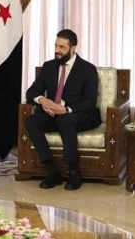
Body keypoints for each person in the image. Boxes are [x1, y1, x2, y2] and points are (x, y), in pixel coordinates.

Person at [24, 29, 99, 190]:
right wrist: (43, 100)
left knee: (65, 121)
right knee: (31, 121)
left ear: (73, 48)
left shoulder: (88, 69)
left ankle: (73, 171)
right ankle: (51, 170)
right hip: (53, 115)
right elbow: (31, 92)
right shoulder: (49, 66)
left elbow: (90, 102)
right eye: (56, 46)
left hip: (80, 115)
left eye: (62, 47)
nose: (57, 50)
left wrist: (66, 109)